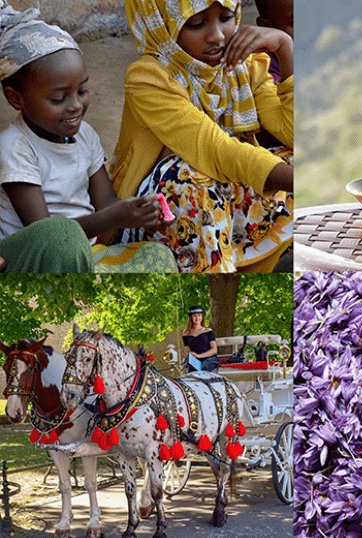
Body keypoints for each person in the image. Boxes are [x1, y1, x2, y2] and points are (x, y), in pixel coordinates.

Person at [112, 0, 295, 273]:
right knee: (189, 175)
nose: (217, 36)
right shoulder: (147, 78)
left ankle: (252, 268)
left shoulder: (246, 65)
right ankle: (213, 276)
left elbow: (291, 132)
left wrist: (284, 46)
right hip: (159, 216)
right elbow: (216, 150)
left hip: (224, 199)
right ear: (162, 25)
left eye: (226, 17)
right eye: (196, 23)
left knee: (292, 157)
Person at [0, 3, 173, 272]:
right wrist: (113, 218)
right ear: (15, 98)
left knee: (158, 256)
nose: (76, 106)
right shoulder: (15, 146)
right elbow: (46, 235)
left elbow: (105, 202)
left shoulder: (85, 134)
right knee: (62, 235)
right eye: (58, 98)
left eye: (82, 90)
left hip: (87, 255)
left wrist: (136, 212)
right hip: (37, 261)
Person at [182, 305, 219, 372]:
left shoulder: (208, 331)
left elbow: (214, 350)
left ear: (202, 317)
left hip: (209, 358)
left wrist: (199, 356)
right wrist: (193, 356)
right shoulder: (186, 334)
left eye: (199, 315)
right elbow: (189, 351)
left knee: (203, 368)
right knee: (192, 372)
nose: (197, 318)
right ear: (191, 318)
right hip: (196, 359)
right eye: (194, 316)